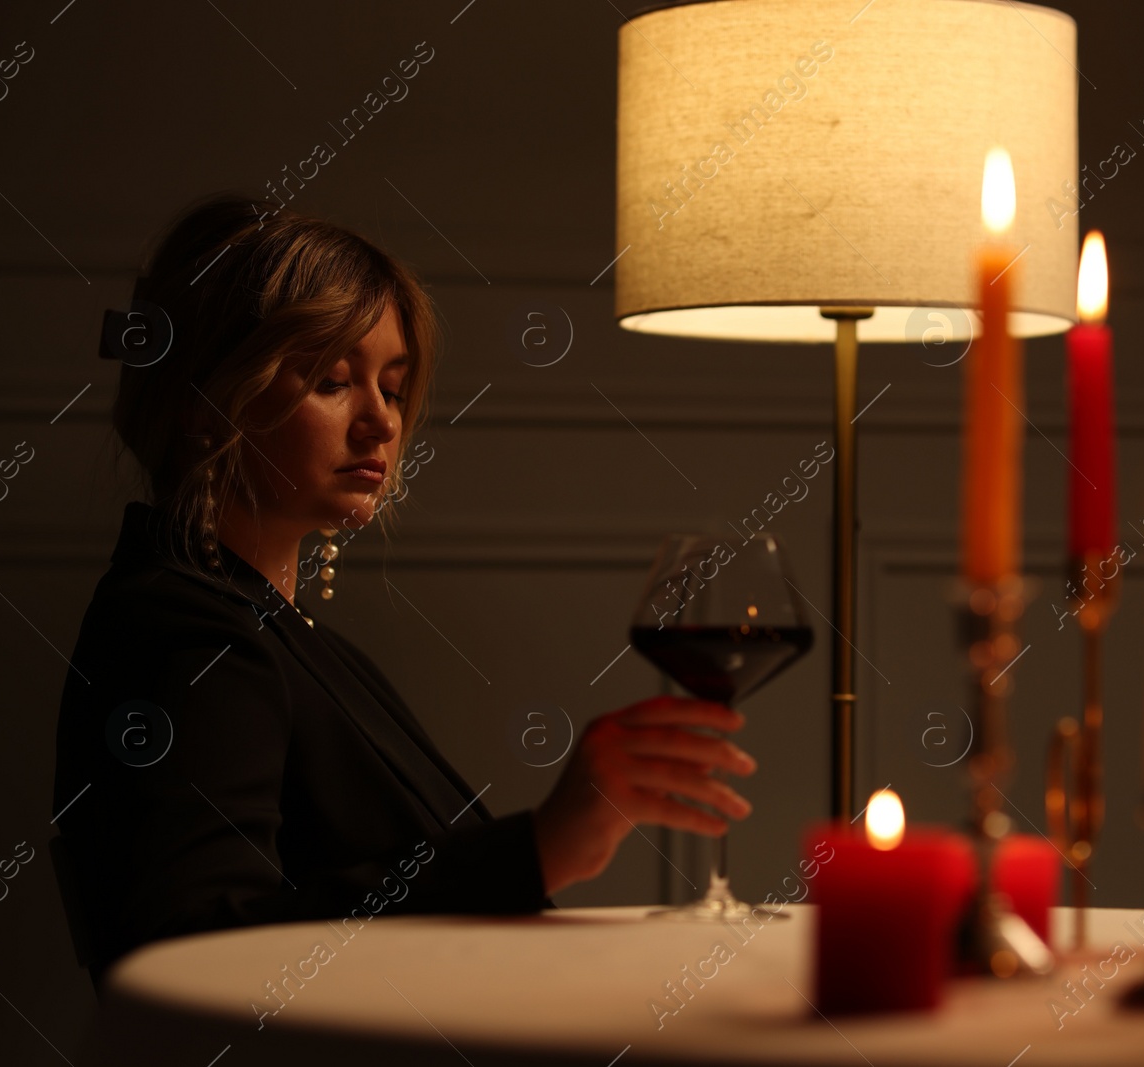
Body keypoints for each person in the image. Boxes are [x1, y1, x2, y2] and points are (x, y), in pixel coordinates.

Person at [52, 194, 755, 989]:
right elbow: (185, 949)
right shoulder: (184, 630)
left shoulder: (286, 637)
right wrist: (537, 848)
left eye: (391, 385)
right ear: (202, 406)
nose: (381, 422)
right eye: (331, 380)